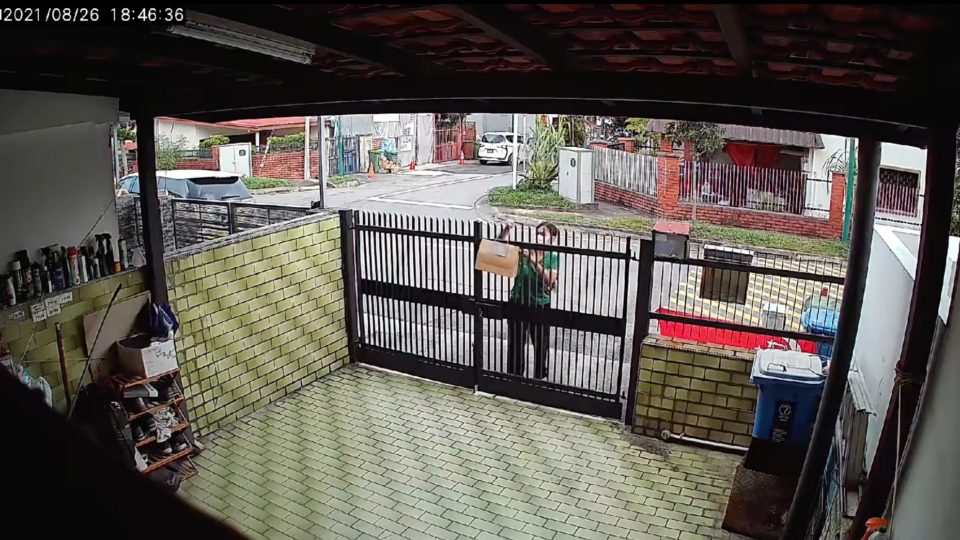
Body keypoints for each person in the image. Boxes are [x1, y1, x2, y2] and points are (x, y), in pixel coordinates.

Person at [498, 221, 560, 379]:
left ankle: (539, 377)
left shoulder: (552, 257)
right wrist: (506, 231)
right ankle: (515, 376)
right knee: (516, 344)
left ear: (552, 238)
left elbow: (550, 280)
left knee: (541, 344)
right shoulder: (524, 251)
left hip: (540, 306)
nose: (539, 237)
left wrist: (533, 262)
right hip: (518, 303)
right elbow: (500, 251)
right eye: (537, 233)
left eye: (543, 234)